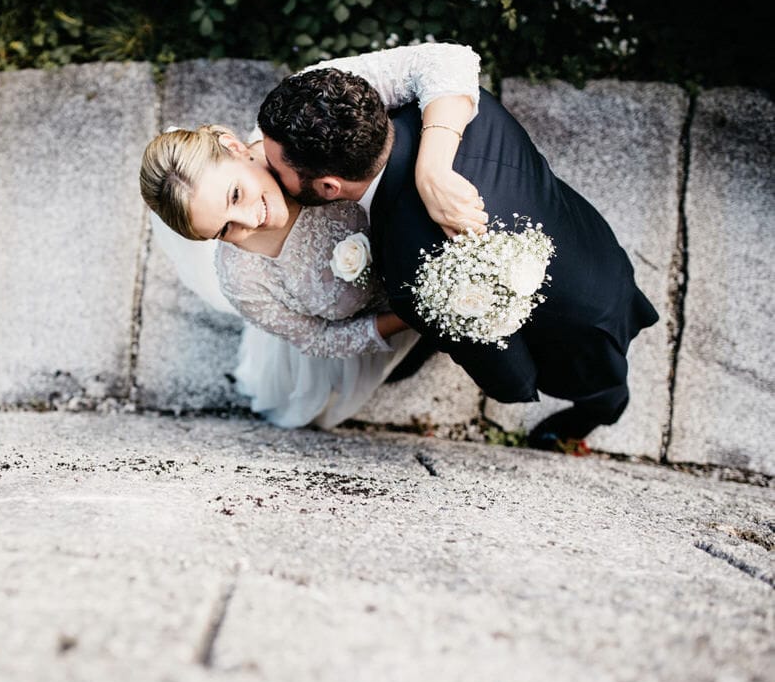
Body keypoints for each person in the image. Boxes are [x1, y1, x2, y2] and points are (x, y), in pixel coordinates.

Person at [257, 68, 660, 449]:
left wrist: (512, 386)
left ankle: (600, 412)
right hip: (592, 240)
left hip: (574, 327)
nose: (270, 173)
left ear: (330, 186)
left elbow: (505, 373)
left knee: (599, 383)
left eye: (277, 168)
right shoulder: (452, 106)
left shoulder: (411, 270)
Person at [140, 43, 486, 428]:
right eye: (224, 230)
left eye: (235, 194)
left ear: (234, 147)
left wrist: (432, 171)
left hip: (444, 236)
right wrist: (414, 315)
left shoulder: (302, 118)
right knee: (404, 364)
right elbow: (318, 339)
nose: (251, 220)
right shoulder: (243, 280)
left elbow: (447, 60)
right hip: (400, 313)